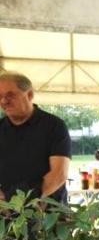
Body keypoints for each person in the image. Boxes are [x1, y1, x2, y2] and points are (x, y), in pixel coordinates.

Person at [0, 71, 71, 203]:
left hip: (48, 215)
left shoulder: (54, 126)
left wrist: (24, 203)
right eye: (0, 96)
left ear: (30, 94)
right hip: (6, 214)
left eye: (11, 95)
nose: (4, 101)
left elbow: (59, 174)